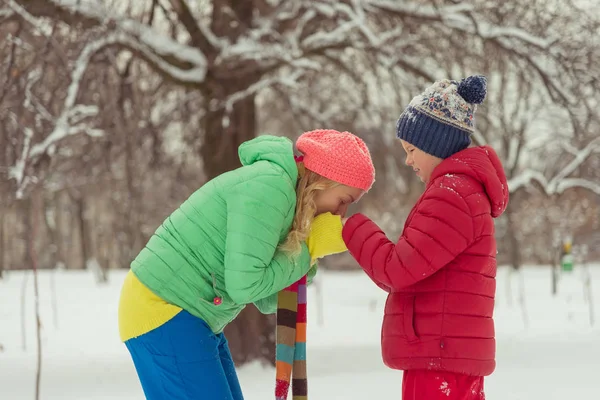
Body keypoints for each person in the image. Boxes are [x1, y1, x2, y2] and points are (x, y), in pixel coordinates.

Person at [118, 129, 375, 400]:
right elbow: (246, 286)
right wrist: (307, 248)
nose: (340, 213)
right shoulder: (270, 187)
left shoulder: (284, 198)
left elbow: (264, 299)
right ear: (322, 179)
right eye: (344, 200)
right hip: (163, 308)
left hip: (187, 315)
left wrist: (309, 254)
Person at [341, 75, 509, 400]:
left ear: (436, 145)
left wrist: (349, 226)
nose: (408, 160)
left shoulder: (451, 195)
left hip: (438, 359)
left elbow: (397, 269)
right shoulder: (463, 192)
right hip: (451, 356)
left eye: (412, 149)